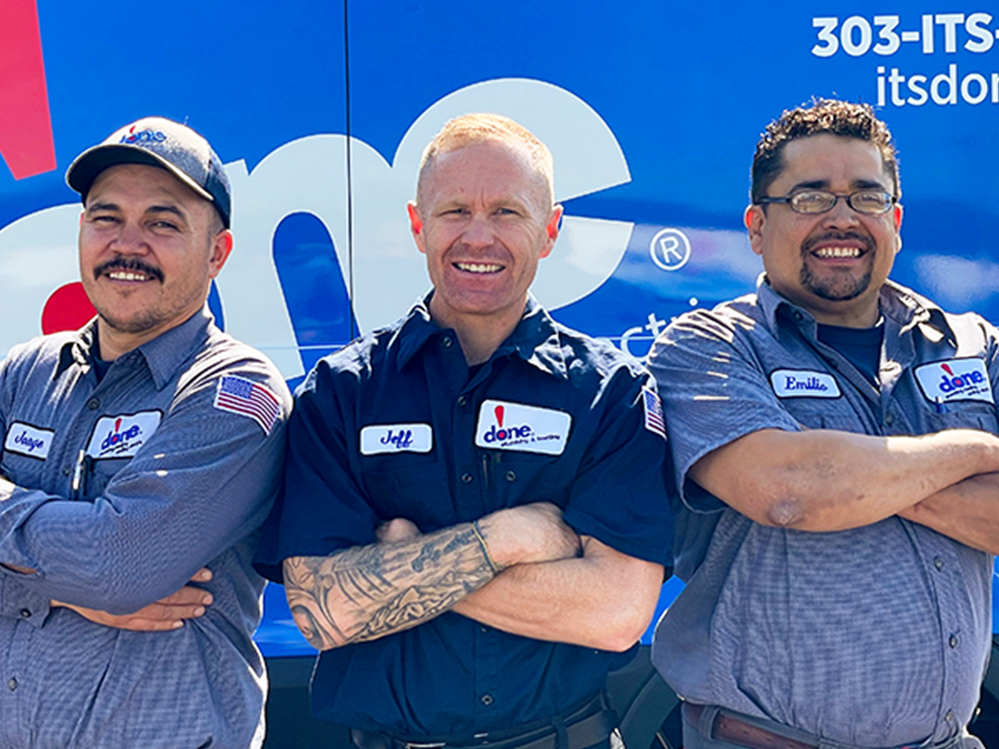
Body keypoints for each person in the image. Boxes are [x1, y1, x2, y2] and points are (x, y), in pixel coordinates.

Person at [255, 113, 672, 749]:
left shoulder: (609, 392)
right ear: (418, 225)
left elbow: (615, 614)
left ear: (550, 229)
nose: (479, 236)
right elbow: (324, 611)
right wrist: (507, 537)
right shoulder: (344, 392)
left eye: (507, 211)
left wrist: (398, 562)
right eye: (454, 211)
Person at [648, 98, 999, 749]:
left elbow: (822, 485)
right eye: (809, 198)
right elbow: (786, 491)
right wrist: (974, 449)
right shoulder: (707, 346)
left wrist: (854, 480)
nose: (842, 218)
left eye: (865, 197)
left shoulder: (975, 345)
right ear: (755, 226)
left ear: (894, 220)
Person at [0, 117, 291, 748]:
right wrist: (59, 594)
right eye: (105, 217)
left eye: (162, 222)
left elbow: (120, 564)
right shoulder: (23, 373)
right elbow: (100, 577)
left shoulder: (238, 390)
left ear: (217, 252)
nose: (127, 244)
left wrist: (67, 569)